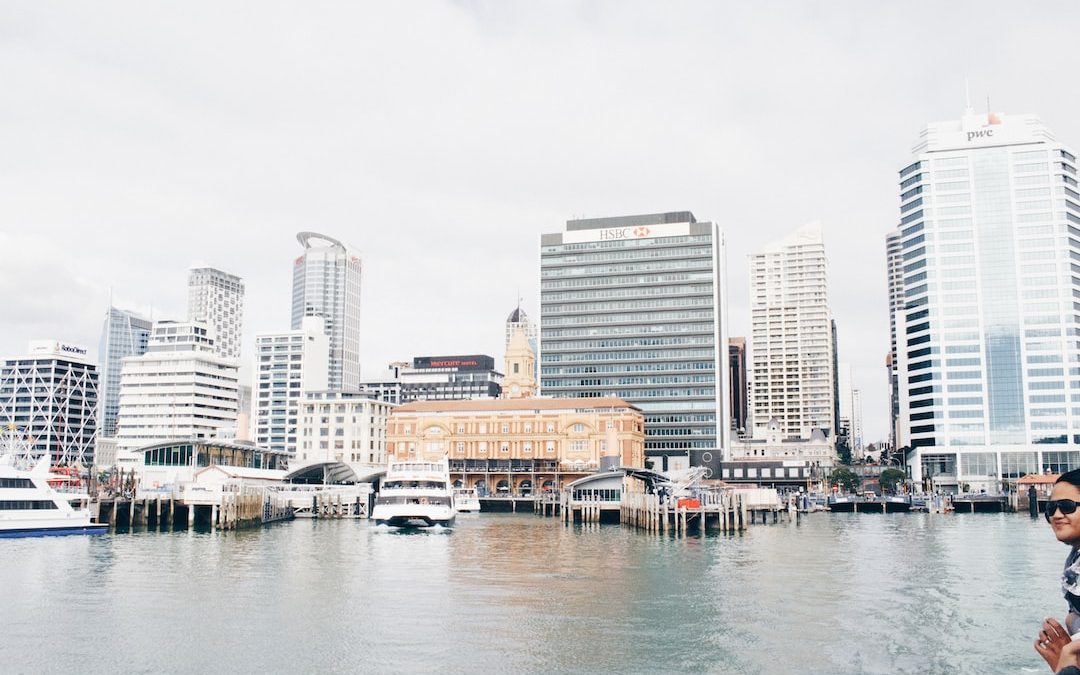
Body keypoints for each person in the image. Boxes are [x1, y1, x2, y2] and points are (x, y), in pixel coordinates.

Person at [1036, 469, 1080, 671]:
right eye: (1050, 508)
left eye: (1067, 506)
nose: (1056, 515)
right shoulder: (1074, 559)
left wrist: (1066, 664)